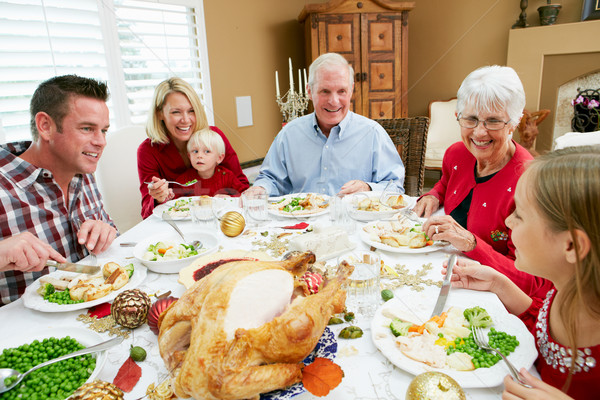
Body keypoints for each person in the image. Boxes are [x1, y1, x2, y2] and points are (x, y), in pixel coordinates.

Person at [445, 146, 600, 399]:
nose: (508, 222)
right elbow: (542, 327)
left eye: (520, 215)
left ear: (571, 245)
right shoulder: (562, 289)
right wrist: (500, 285)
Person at [413, 65, 552, 298]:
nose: (479, 133)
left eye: (493, 121)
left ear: (514, 122)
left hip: (493, 297)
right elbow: (448, 183)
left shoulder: (530, 184)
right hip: (445, 274)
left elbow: (535, 283)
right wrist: (433, 195)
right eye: (471, 119)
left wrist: (472, 243)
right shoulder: (457, 154)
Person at [0, 75, 117, 306]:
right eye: (87, 128)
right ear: (45, 126)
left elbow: (111, 243)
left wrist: (108, 232)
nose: (101, 141)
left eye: (103, 130)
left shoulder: (83, 171)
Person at [247, 52, 404, 197]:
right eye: (325, 91)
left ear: (351, 91)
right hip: (300, 224)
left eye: (341, 91)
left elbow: (395, 187)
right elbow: (270, 179)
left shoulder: (373, 133)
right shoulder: (289, 134)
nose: (334, 101)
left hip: (355, 225)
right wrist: (260, 189)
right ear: (309, 91)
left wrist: (368, 188)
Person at [137, 77, 248, 218]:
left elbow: (243, 187)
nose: (186, 119)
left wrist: (226, 199)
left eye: (191, 111)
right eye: (176, 112)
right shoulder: (148, 151)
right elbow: (147, 213)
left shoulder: (213, 137)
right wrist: (158, 197)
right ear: (160, 113)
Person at [174, 128, 249, 196]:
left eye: (207, 151)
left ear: (219, 158)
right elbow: (174, 205)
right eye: (195, 151)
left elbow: (243, 195)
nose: (199, 155)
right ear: (189, 156)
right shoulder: (183, 181)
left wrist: (229, 198)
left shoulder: (227, 177)